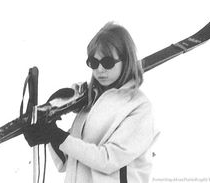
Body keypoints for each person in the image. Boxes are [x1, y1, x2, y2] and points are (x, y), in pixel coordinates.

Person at [23, 22, 159, 183]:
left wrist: (58, 136)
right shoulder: (91, 103)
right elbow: (67, 161)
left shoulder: (138, 107)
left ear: (126, 60)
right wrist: (48, 133)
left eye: (107, 62)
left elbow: (108, 160)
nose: (100, 69)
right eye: (93, 63)